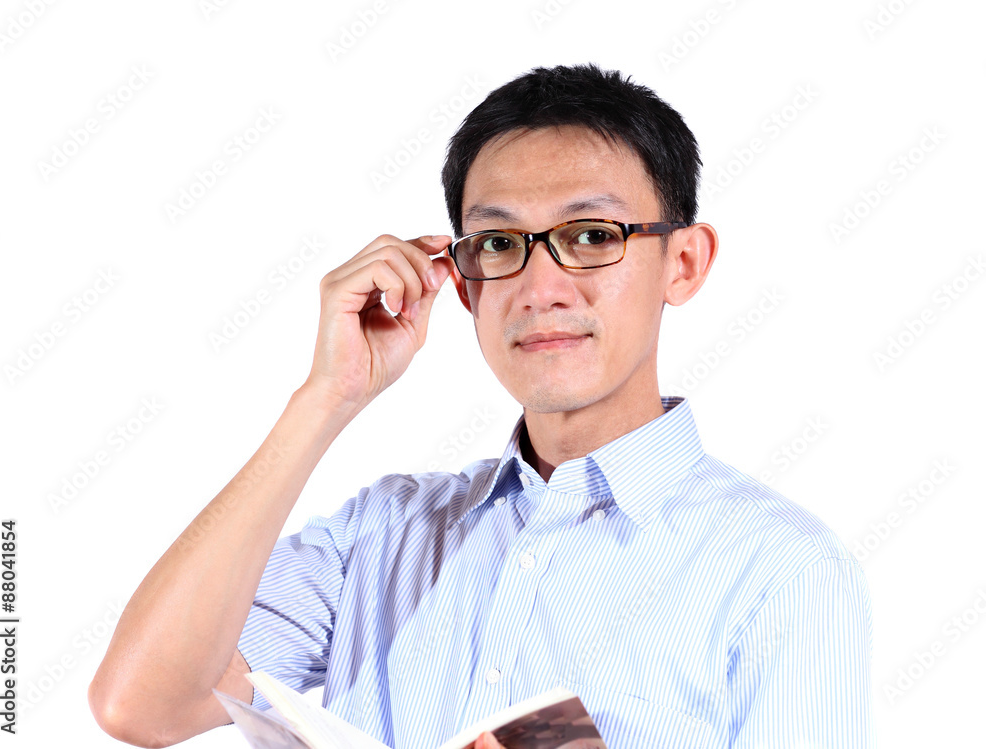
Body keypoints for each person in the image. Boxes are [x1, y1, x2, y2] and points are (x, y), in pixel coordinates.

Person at [89, 63, 874, 749]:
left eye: (593, 234)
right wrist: (326, 397)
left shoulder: (783, 571)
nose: (541, 287)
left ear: (685, 262)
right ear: (462, 282)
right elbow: (141, 703)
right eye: (499, 244)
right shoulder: (381, 535)